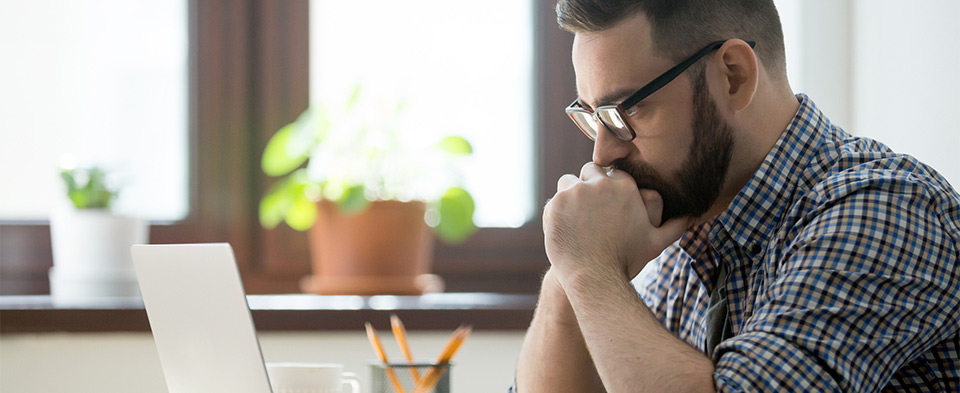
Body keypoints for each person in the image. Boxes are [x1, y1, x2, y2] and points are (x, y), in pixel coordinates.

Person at [514, 0, 960, 392]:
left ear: (734, 76)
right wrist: (568, 272)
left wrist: (592, 271)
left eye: (627, 109)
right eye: (593, 117)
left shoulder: (884, 207)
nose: (603, 151)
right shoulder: (685, 241)